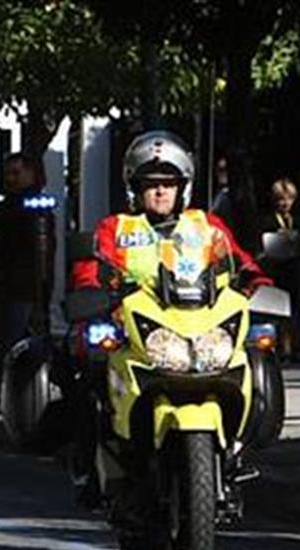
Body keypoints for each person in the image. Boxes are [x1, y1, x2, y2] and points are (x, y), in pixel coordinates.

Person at [68, 131, 270, 504]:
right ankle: (89, 468)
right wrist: (95, 295)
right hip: (136, 329)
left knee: (254, 356)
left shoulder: (207, 227)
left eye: (168, 184)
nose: (160, 192)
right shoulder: (116, 228)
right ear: (135, 188)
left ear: (184, 187)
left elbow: (243, 264)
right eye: (151, 184)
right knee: (88, 372)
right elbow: (88, 270)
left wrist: (257, 283)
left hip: (197, 325)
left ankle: (236, 452)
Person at [0, 153, 57, 411]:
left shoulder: (26, 204)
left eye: (17, 173)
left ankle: (10, 398)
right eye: (8, 174)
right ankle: (15, 397)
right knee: (13, 343)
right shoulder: (24, 204)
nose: (11, 179)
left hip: (21, 289)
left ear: (32, 173)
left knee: (12, 346)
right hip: (18, 287)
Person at [258, 178, 300, 357]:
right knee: (277, 310)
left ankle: (292, 346)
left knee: (293, 310)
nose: (285, 203)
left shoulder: (296, 219)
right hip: (274, 269)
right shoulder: (267, 220)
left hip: (292, 268)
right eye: (281, 199)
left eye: (288, 199)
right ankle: (277, 346)